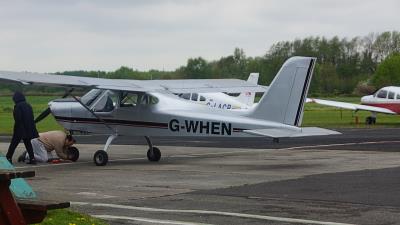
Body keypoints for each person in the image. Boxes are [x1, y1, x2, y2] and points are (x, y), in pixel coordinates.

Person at [6, 91, 38, 164]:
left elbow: (18, 119)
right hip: (29, 128)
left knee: (13, 144)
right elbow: (31, 117)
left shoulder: (17, 106)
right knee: (28, 144)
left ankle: (8, 158)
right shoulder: (28, 105)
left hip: (20, 129)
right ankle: (32, 159)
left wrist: (16, 129)